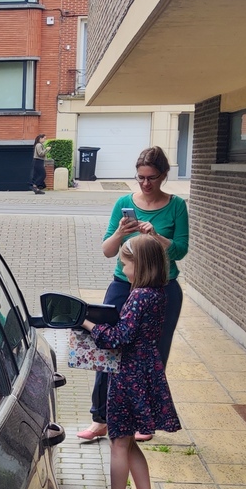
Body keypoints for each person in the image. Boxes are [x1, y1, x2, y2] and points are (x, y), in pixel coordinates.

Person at [75, 146, 188, 442]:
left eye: (152, 178)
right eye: (141, 177)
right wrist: (120, 233)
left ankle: (144, 421)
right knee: (107, 350)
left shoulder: (176, 206)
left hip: (162, 287)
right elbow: (107, 250)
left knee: (152, 355)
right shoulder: (124, 202)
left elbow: (180, 250)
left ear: (164, 175)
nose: (146, 183)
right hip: (123, 285)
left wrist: (156, 237)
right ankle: (100, 419)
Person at [84, 234, 182, 489]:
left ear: (139, 265)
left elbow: (120, 337)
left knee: (118, 442)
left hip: (128, 375)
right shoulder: (159, 293)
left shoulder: (138, 296)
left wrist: (88, 325)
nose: (123, 270)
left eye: (125, 264)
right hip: (146, 370)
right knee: (127, 442)